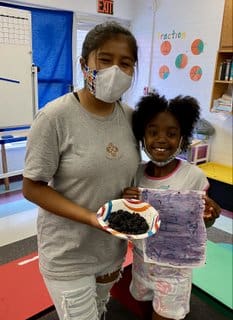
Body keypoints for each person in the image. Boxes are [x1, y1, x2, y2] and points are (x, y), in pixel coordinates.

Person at [22, 21, 140, 320]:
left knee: (99, 310)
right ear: (83, 63)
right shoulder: (54, 117)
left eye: (125, 63)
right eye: (105, 59)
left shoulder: (131, 117)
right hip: (68, 254)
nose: (115, 70)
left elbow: (125, 173)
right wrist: (91, 218)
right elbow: (32, 187)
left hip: (111, 250)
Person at [123, 92, 221, 320]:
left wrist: (210, 216)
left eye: (171, 133)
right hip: (142, 262)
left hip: (174, 269)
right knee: (145, 308)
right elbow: (129, 223)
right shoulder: (136, 174)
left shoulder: (193, 176)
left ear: (182, 138)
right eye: (153, 132)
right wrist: (127, 203)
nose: (161, 139)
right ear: (142, 135)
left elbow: (201, 223)